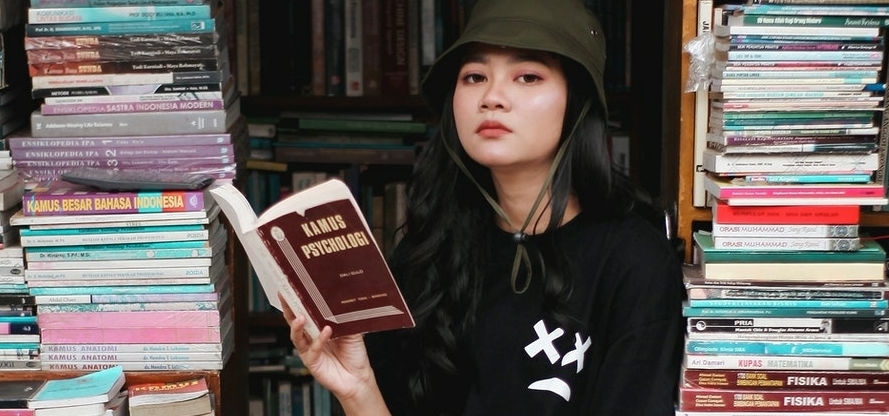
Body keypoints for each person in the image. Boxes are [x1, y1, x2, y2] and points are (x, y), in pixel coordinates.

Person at [283, 0, 686, 414]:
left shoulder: (635, 263)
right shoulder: (428, 257)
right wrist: (357, 389)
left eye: (528, 76)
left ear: (578, 102)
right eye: (474, 76)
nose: (492, 97)